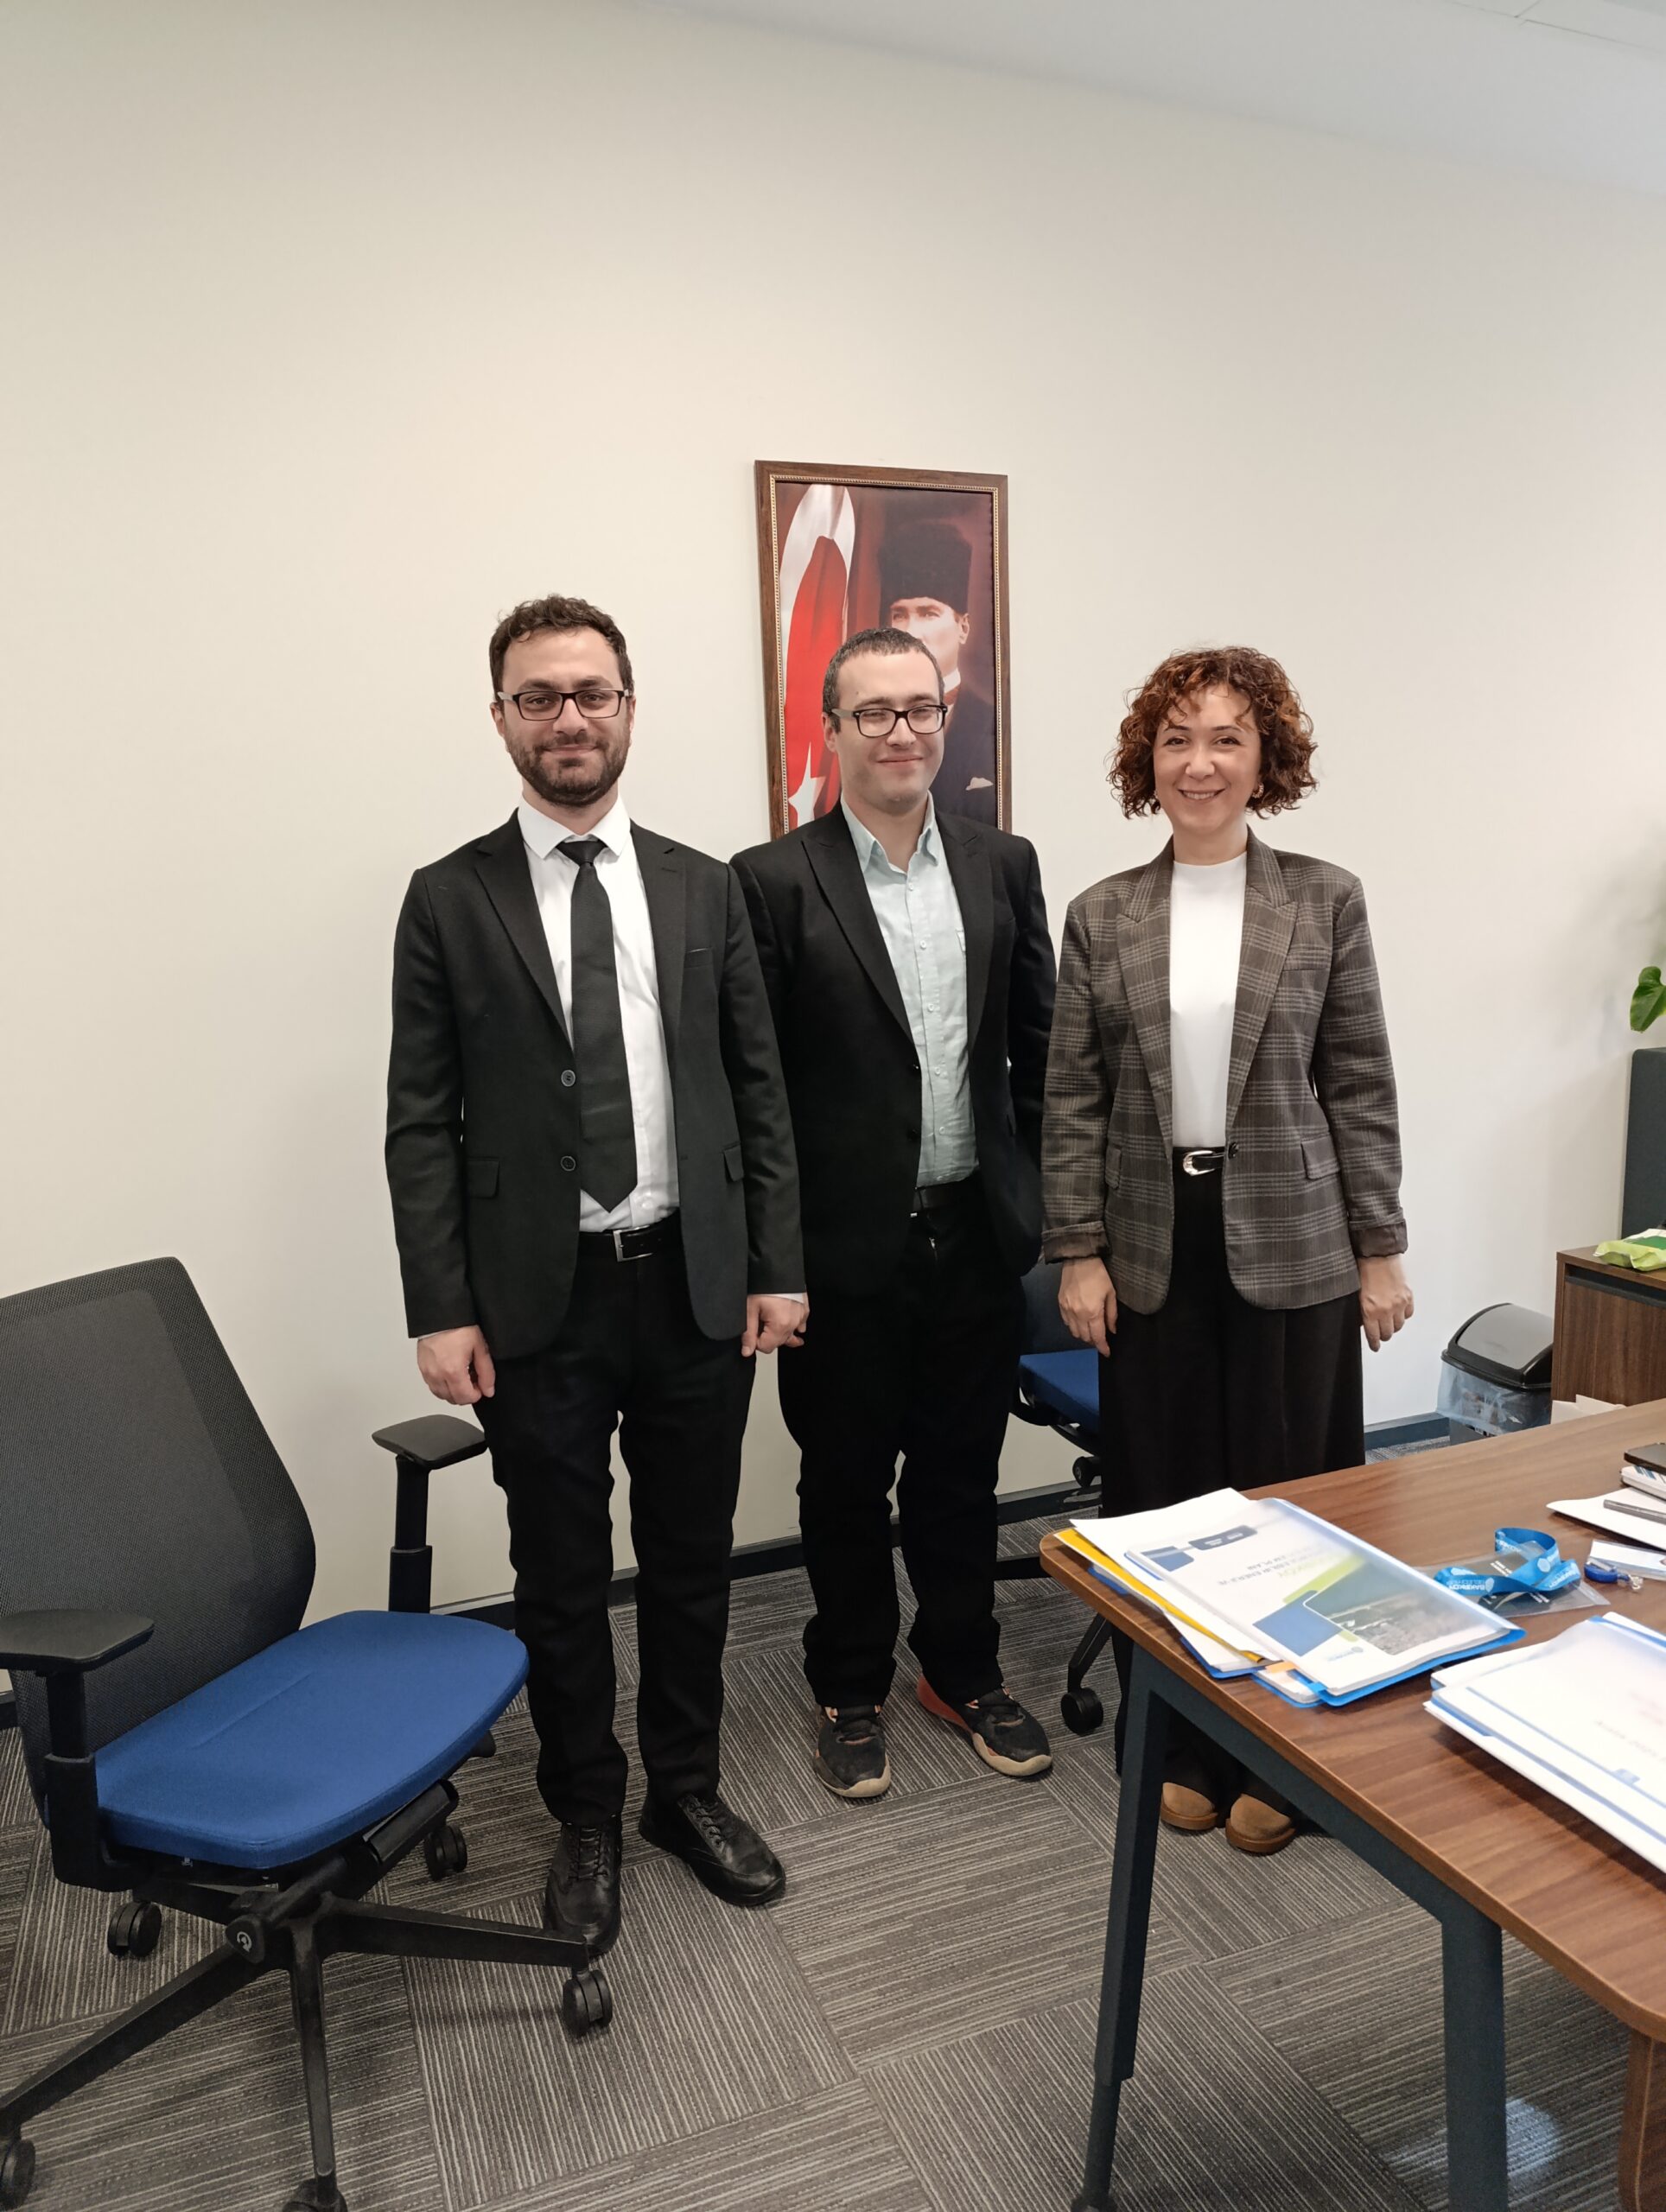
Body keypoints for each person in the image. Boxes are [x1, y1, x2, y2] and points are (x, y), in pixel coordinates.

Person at [385, 594, 806, 1958]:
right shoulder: (448, 898)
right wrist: (441, 1306)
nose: (568, 719)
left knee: (692, 1559)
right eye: (539, 697)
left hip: (693, 1282)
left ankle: (685, 1791)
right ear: (502, 718)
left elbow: (756, 1088)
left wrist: (778, 1266)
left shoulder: (704, 886)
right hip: (536, 1302)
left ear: (629, 709)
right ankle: (585, 1813)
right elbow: (420, 1120)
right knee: (560, 1575)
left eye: (591, 693)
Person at [1042, 645, 1412, 1856]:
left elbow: (1357, 1083)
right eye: (1176, 739)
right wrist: (1078, 1250)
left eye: (1225, 739)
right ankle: (1183, 1741)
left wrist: (1379, 1248)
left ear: (1266, 762)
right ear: (1146, 762)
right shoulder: (1103, 913)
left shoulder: (1324, 898)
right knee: (1167, 1502)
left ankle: (1294, 1759)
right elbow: (1073, 1099)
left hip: (1295, 1236)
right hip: (1152, 1242)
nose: (1198, 763)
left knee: (1294, 1497)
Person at [733, 626, 1056, 1800]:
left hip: (972, 1234)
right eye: (873, 712)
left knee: (962, 1474)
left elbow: (1039, 1050)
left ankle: (961, 1670)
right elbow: (756, 1092)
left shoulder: (1002, 863)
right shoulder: (770, 880)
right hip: (839, 1249)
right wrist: (771, 1260)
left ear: (944, 720)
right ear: (831, 731)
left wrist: (1046, 1213)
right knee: (844, 1483)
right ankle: (848, 1683)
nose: (901, 732)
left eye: (920, 709)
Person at [880, 519, 999, 823]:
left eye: (928, 613)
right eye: (899, 615)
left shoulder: (993, 722)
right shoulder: (870, 725)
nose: (911, 633)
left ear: (963, 627)